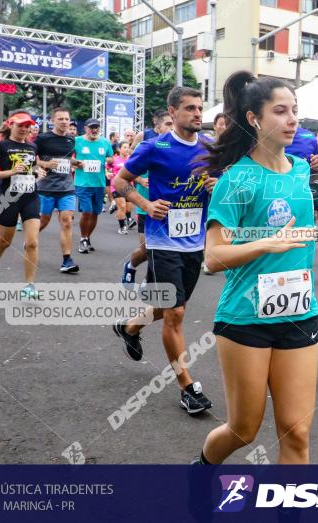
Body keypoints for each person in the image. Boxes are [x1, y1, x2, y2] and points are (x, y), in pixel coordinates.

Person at [194, 71, 318, 465]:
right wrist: (264, 243)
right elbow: (213, 257)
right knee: (243, 430)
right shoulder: (236, 179)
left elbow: (297, 229)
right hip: (246, 317)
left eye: (295, 112)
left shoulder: (302, 170)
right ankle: (201, 470)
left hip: (300, 312)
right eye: (281, 112)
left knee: (297, 432)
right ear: (254, 118)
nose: (292, 120)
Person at [111, 87, 215, 415]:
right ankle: (187, 387)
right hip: (162, 240)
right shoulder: (155, 146)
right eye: (190, 108)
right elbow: (120, 181)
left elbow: (224, 186)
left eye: (200, 108)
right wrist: (145, 203)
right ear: (173, 112)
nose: (197, 114)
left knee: (167, 306)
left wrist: (218, 184)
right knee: (176, 313)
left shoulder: (209, 148)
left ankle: (129, 327)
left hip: (194, 241)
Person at [0, 113, 44, 298]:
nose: (24, 129)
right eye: (20, 125)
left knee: (32, 242)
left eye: (27, 126)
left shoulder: (32, 146)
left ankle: (29, 286)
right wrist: (11, 171)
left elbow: (30, 170)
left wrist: (37, 172)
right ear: (11, 125)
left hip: (30, 197)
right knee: (4, 242)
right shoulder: (1, 146)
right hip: (8, 199)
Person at [121, 111, 173, 288]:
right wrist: (140, 180)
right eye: (168, 124)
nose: (172, 128)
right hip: (146, 206)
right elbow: (125, 174)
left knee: (162, 249)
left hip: (170, 208)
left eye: (174, 124)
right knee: (148, 248)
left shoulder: (181, 149)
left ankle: (148, 281)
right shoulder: (146, 147)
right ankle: (131, 265)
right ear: (157, 128)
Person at [36, 108, 79, 273]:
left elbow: (67, 159)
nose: (64, 121)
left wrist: (76, 163)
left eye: (67, 119)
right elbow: (31, 157)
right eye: (60, 119)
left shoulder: (71, 140)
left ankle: (67, 260)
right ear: (52, 121)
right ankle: (31, 239)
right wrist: (45, 164)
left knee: (67, 221)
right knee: (43, 221)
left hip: (66, 187)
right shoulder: (43, 138)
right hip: (45, 187)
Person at [74, 119, 114, 253]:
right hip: (83, 183)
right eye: (91, 127)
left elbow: (111, 158)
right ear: (85, 128)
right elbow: (68, 158)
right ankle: (82, 238)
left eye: (96, 127)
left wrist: (109, 160)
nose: (94, 130)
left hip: (99, 183)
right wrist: (76, 163)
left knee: (95, 213)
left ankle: (87, 238)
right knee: (87, 211)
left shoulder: (105, 142)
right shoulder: (77, 141)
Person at [110, 141, 135, 234]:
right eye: (124, 147)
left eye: (128, 147)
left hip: (129, 186)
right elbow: (106, 168)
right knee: (123, 207)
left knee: (128, 209)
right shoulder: (114, 159)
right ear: (119, 149)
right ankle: (122, 227)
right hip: (116, 186)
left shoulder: (132, 159)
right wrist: (108, 173)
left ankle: (116, 205)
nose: (127, 149)